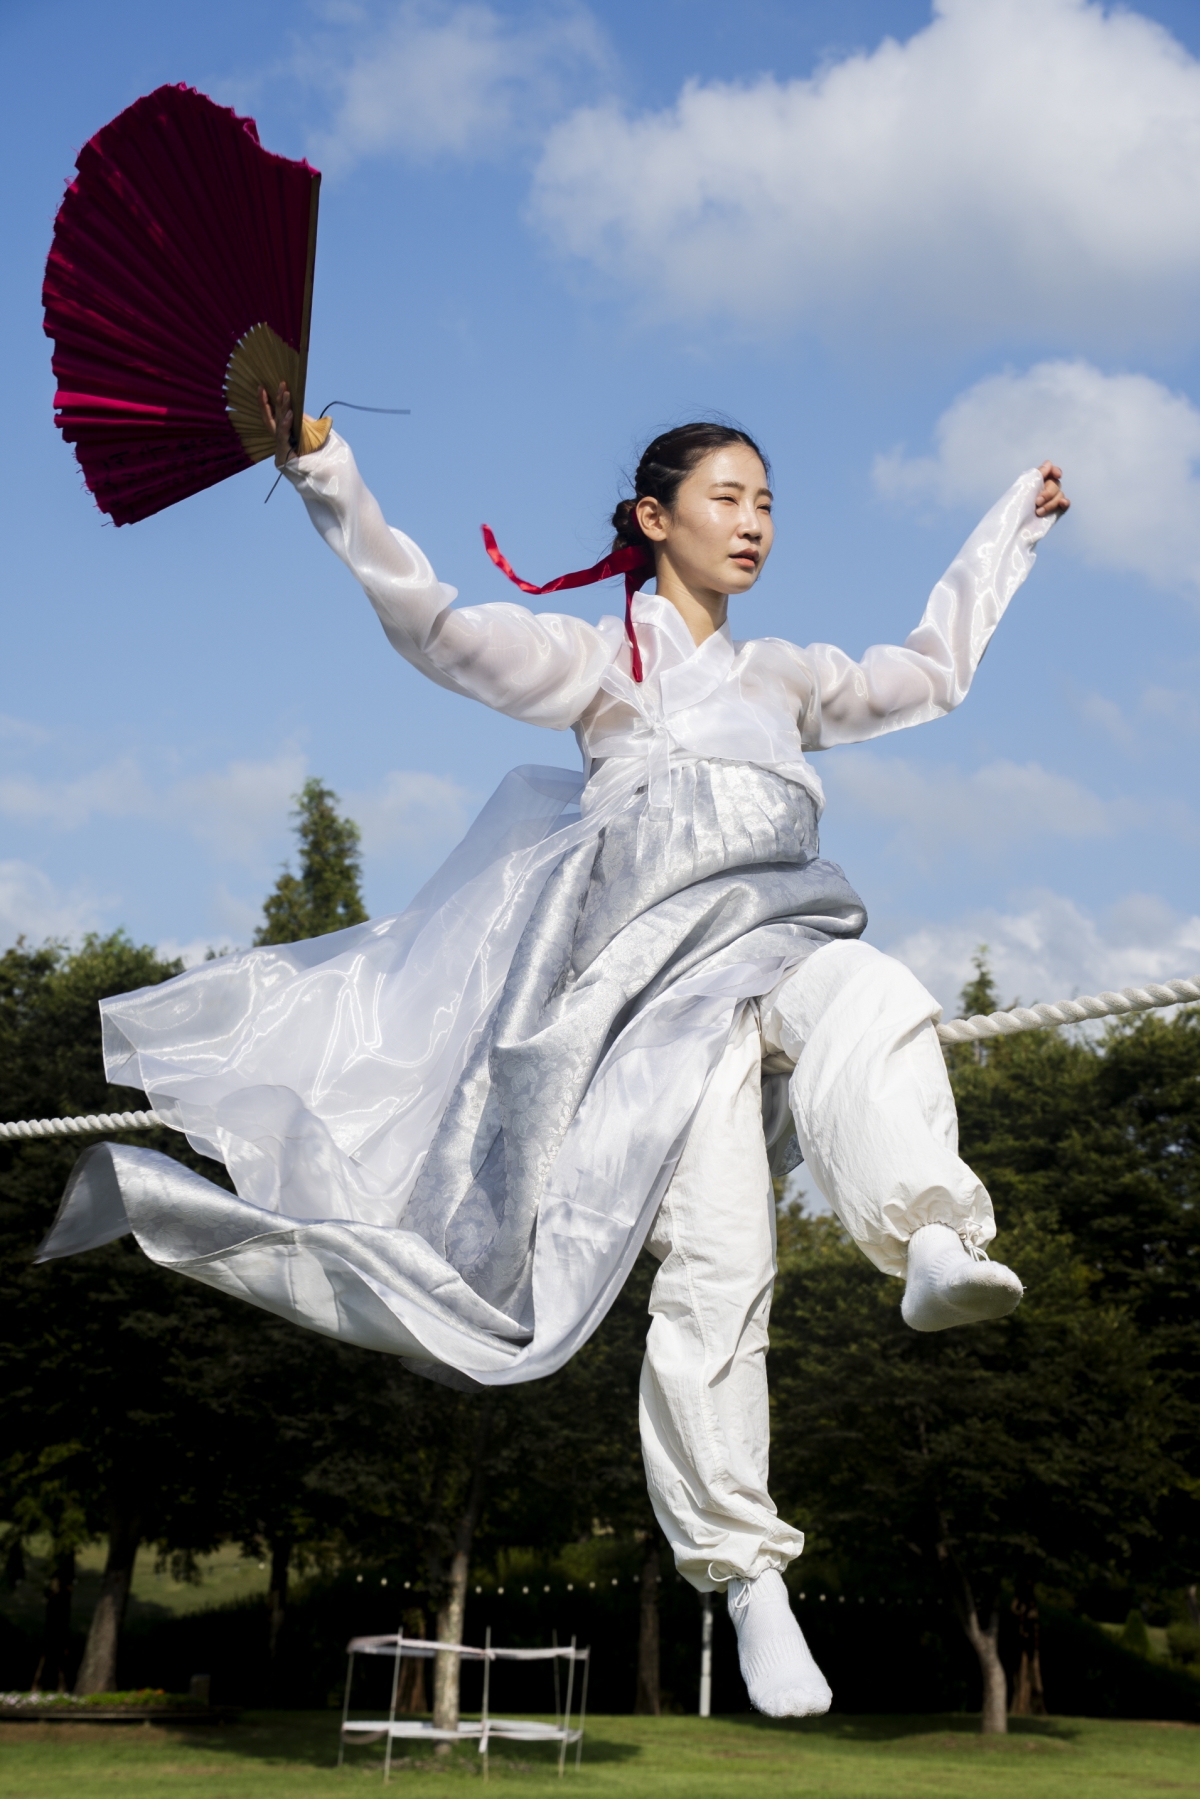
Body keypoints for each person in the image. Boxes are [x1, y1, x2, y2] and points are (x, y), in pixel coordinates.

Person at [39, 381, 1069, 1716]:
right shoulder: (605, 665)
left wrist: (1009, 532)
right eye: (728, 498)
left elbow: (929, 674)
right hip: (652, 1012)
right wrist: (326, 469)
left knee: (877, 998)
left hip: (782, 943)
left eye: (768, 503)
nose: (755, 523)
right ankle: (748, 1574)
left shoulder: (785, 677)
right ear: (654, 518)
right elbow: (438, 628)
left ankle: (931, 1238)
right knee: (718, 1259)